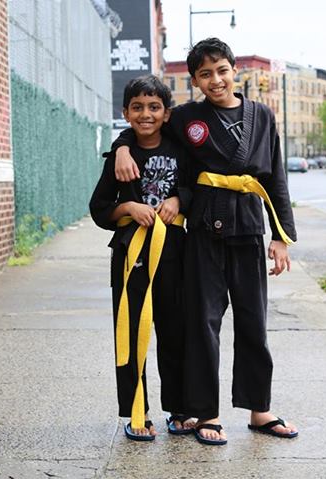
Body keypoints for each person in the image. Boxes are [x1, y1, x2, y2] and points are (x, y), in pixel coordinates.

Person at [112, 38, 299, 445]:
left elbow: (276, 178)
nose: (216, 80)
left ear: (235, 71)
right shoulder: (186, 117)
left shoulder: (262, 116)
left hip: (247, 228)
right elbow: (146, 125)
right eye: (205, 74)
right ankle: (206, 413)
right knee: (202, 324)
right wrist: (122, 148)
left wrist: (281, 236)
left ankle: (259, 409)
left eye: (222, 70)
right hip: (203, 232)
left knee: (253, 322)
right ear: (195, 81)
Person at [89, 75, 195, 441]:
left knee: (175, 331)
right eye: (137, 107)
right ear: (125, 113)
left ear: (167, 113)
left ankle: (179, 409)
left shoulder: (181, 150)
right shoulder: (121, 156)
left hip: (174, 253)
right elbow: (99, 207)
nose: (145, 114)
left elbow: (196, 189)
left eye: (154, 107)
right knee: (131, 330)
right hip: (130, 255)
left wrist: (179, 200)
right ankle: (137, 410)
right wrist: (129, 207)